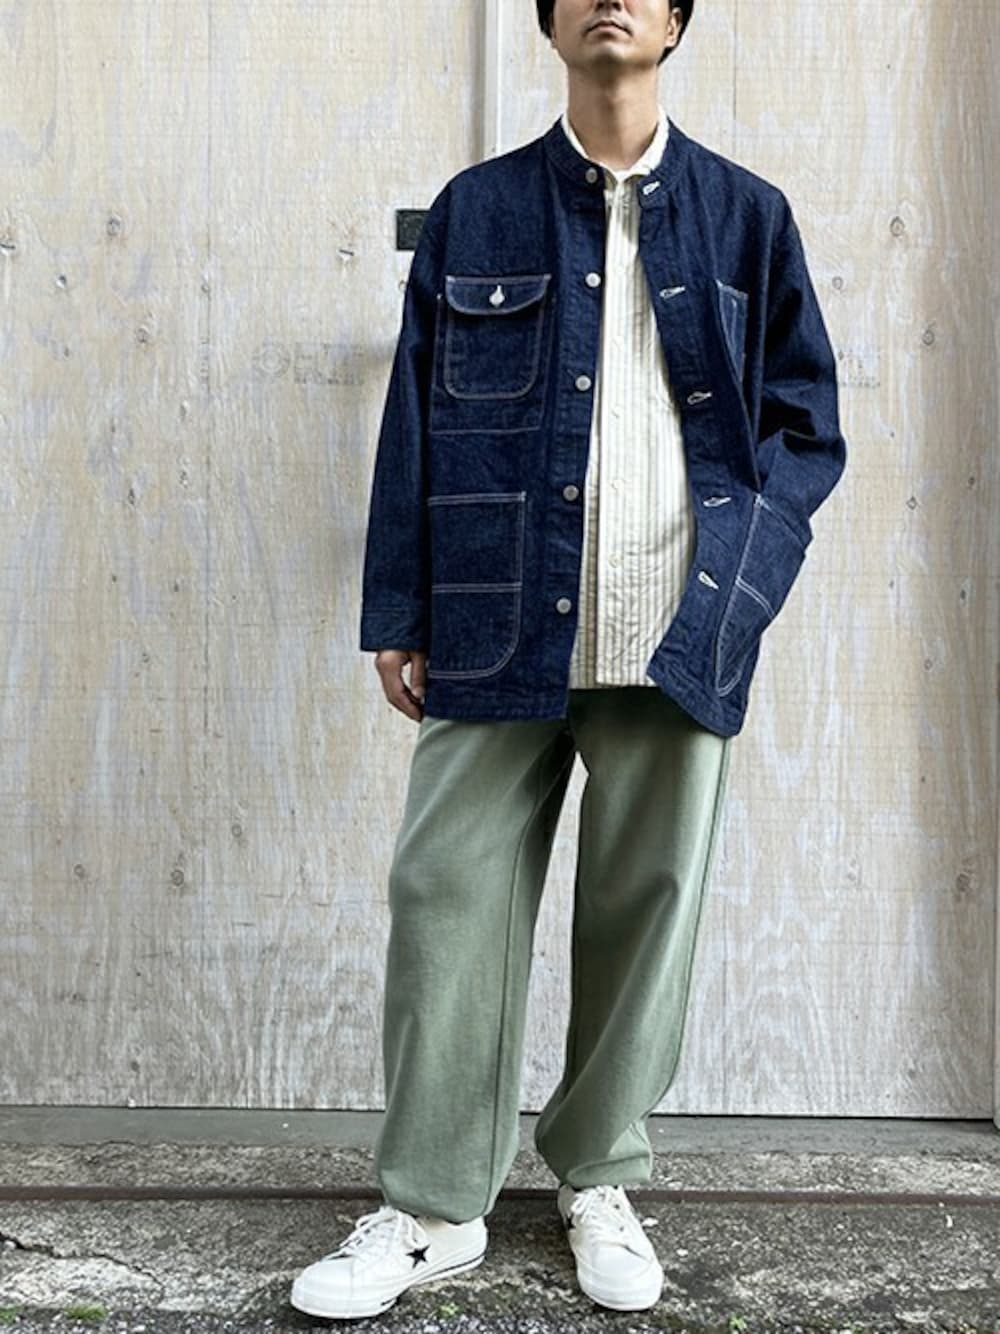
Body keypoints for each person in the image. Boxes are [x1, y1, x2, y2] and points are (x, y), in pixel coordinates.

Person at [291, 0, 846, 1321]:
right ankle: (436, 1206)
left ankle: (597, 1174)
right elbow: (414, 415)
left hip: (678, 625)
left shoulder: (747, 217)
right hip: (498, 614)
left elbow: (805, 430)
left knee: (645, 908)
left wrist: (745, 584)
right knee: (446, 897)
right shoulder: (477, 211)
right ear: (547, 21)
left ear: (676, 20)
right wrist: (401, 606)